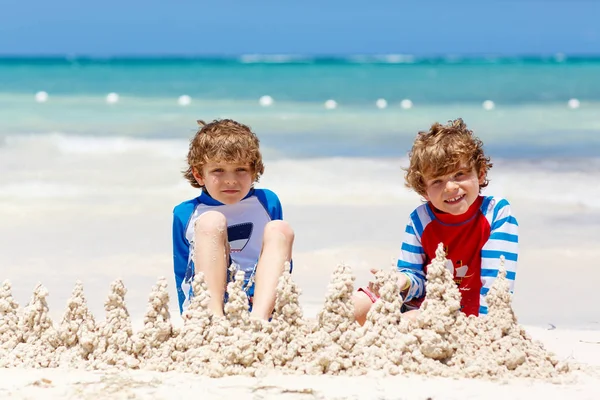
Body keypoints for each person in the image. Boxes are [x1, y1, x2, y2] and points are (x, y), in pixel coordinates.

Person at [353, 118, 519, 325]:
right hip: (422, 304)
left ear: (481, 172)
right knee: (361, 302)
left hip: (469, 317)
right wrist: (401, 281)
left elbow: (497, 285)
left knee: (413, 318)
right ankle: (328, 328)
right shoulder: (420, 219)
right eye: (437, 181)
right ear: (424, 189)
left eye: (459, 174)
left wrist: (485, 327)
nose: (450, 187)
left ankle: (391, 330)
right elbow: (415, 278)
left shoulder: (496, 213)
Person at [172, 119, 294, 320]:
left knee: (280, 229)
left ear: (254, 171)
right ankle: (214, 321)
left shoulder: (267, 202)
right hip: (209, 302)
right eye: (218, 170)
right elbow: (182, 271)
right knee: (211, 222)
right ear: (199, 174)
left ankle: (259, 322)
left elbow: (280, 257)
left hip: (257, 302)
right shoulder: (186, 213)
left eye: (241, 169)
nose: (231, 180)